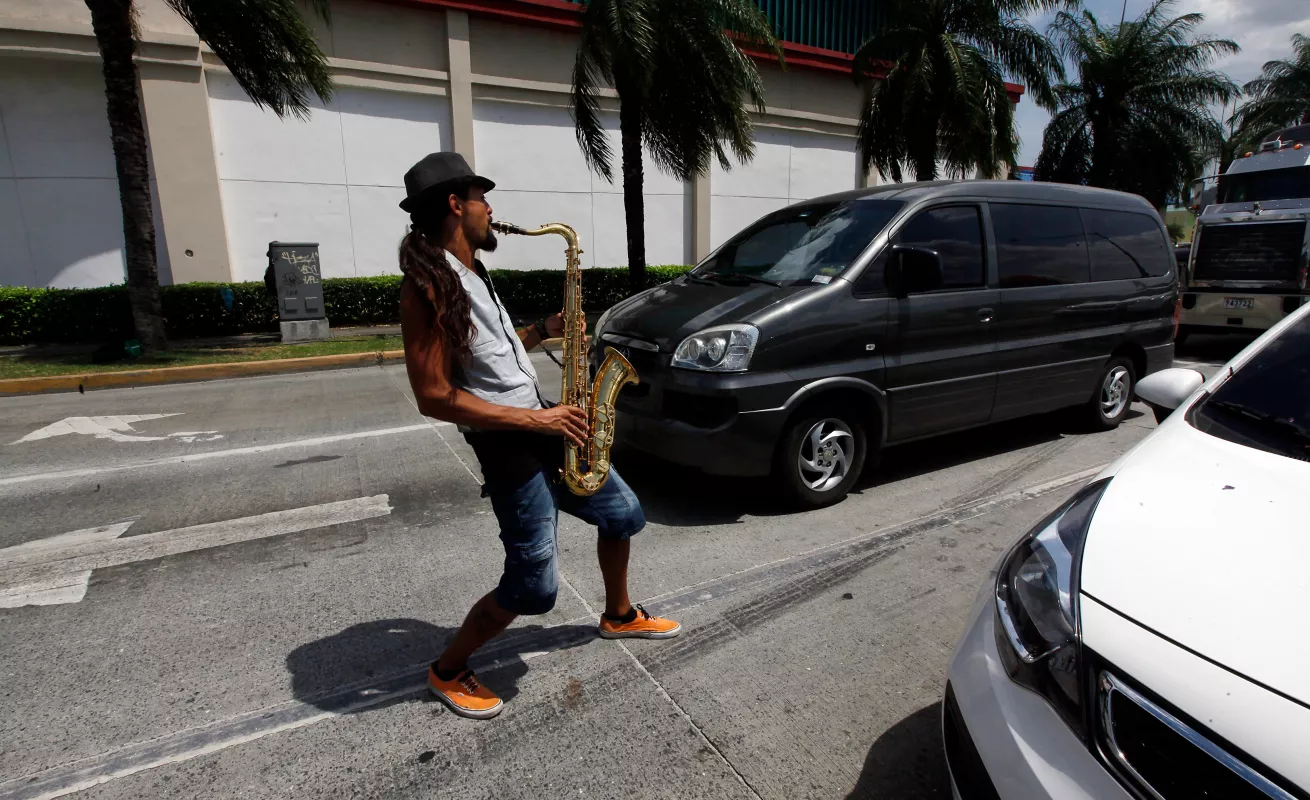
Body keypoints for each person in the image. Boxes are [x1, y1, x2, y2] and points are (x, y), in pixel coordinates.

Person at [396, 152, 680, 720]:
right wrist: (539, 421)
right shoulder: (425, 287)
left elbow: (491, 358)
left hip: (543, 421)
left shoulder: (471, 273)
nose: (490, 210)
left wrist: (541, 331)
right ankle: (447, 669)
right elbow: (434, 397)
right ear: (456, 205)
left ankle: (619, 614)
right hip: (510, 444)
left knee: (622, 513)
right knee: (533, 587)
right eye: (482, 199)